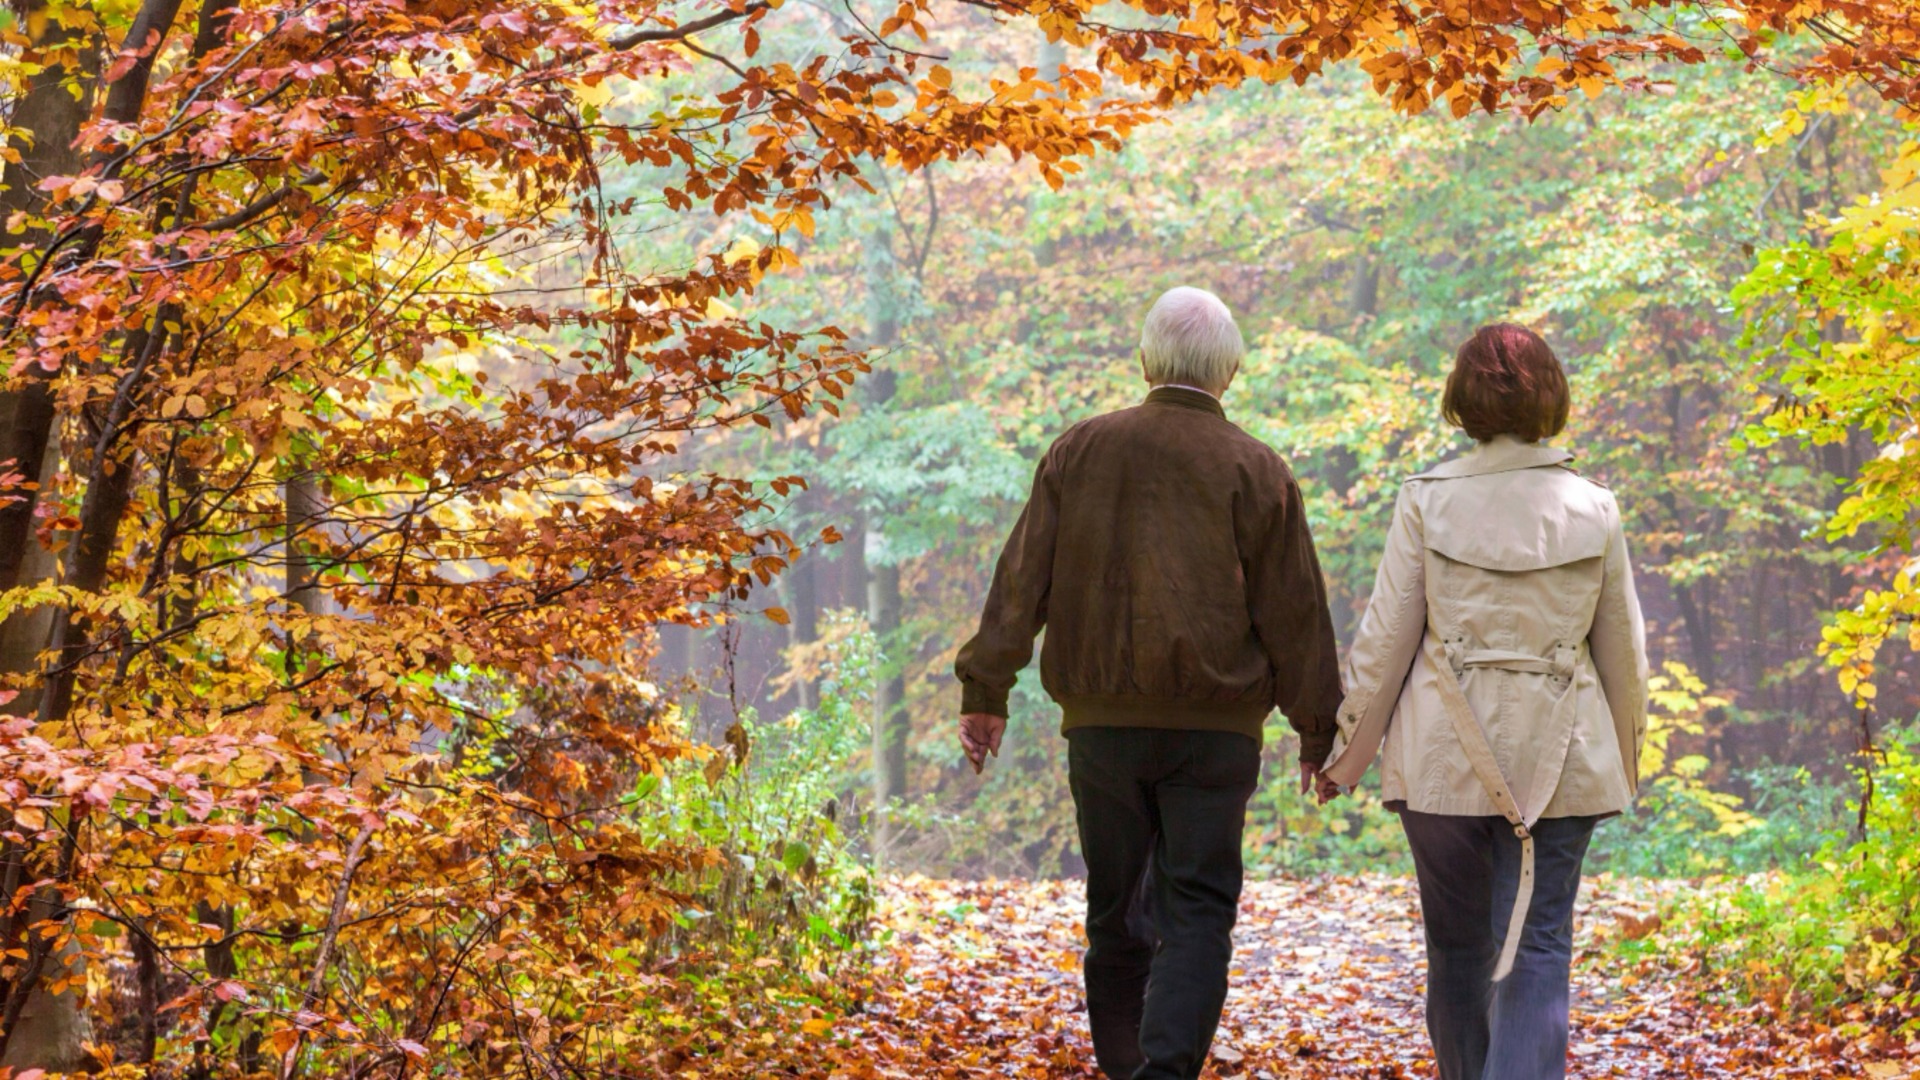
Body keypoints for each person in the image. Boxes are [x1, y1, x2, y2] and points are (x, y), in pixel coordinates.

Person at [954, 286, 1343, 1080]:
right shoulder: (1258, 469)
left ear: (1146, 360)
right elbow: (1295, 613)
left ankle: (1129, 1067)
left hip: (1103, 729)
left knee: (1115, 910)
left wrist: (986, 690)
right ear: (1229, 370)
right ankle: (1165, 1073)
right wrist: (1319, 728)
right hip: (1217, 732)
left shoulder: (1079, 452)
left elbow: (1020, 581)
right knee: (1198, 910)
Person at [1319, 324, 1649, 1080]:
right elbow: (1622, 655)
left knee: (1459, 948)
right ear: (1551, 398)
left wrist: (1346, 758)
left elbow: (1385, 644)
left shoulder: (1425, 501)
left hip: (1442, 767)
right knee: (1534, 948)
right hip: (1562, 767)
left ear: (1460, 401)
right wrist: (1624, 764)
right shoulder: (1595, 508)